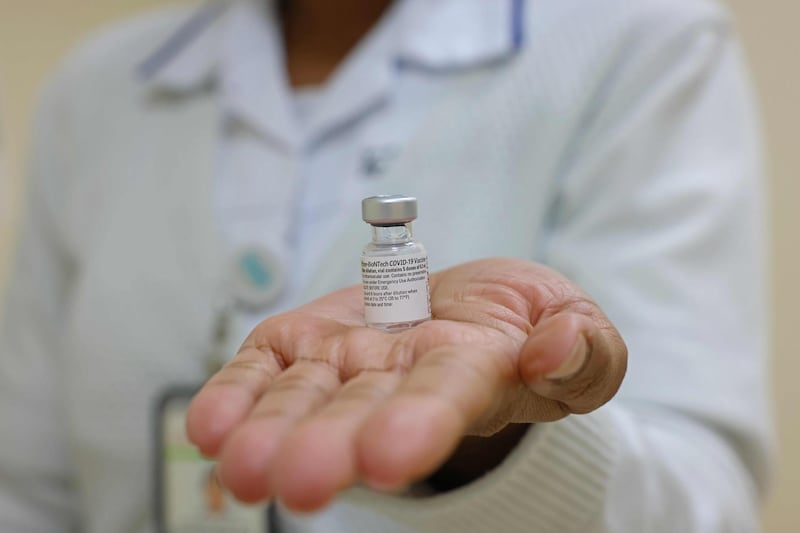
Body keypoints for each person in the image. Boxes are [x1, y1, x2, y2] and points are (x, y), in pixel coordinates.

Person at [0, 0, 771, 531]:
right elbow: (28, 493)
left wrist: (488, 444)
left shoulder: (643, 41)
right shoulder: (95, 92)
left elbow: (705, 504)